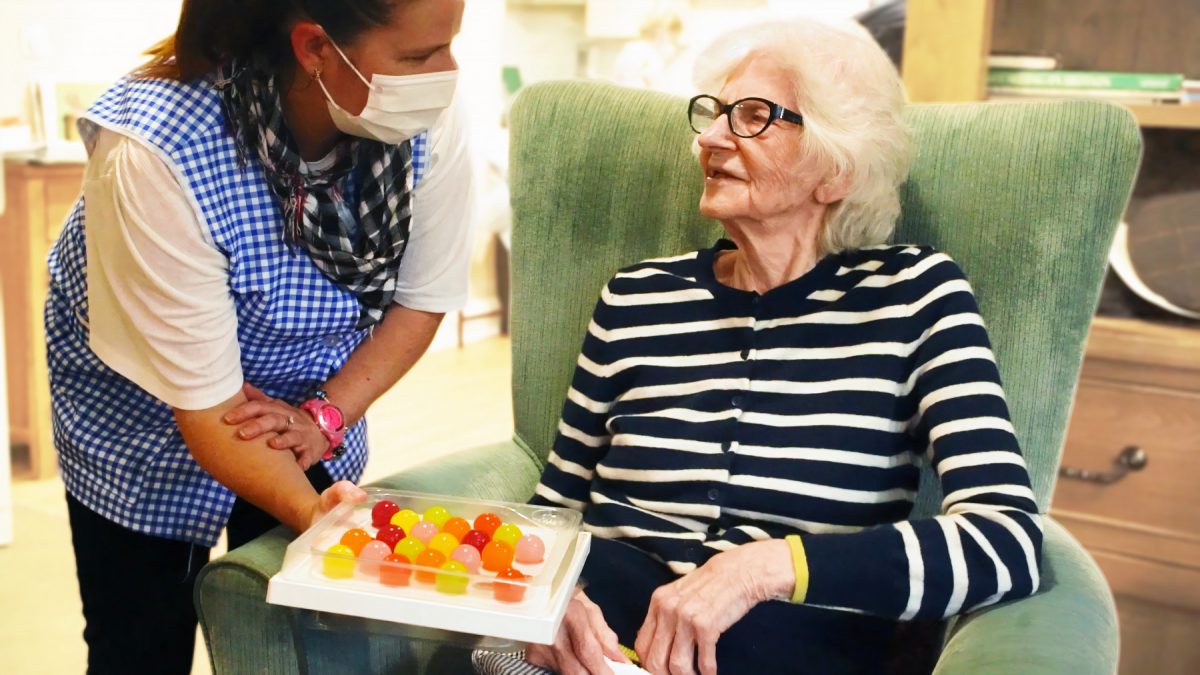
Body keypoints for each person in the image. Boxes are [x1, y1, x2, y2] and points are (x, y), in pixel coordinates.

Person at [475, 16, 1042, 675]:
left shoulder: (916, 296)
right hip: (589, 635)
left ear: (836, 169)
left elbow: (1004, 541)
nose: (710, 138)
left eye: (753, 116)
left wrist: (765, 567)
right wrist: (548, 597)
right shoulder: (635, 297)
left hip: (783, 643)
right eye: (715, 112)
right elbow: (551, 511)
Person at [46, 0, 470, 672]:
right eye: (418, 57)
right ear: (314, 48)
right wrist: (315, 512)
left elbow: (419, 303)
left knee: (298, 638)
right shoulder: (156, 151)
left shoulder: (423, 121)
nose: (446, 74)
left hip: (314, 396)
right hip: (144, 416)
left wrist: (323, 417)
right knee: (140, 639)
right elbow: (208, 406)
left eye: (450, 44)